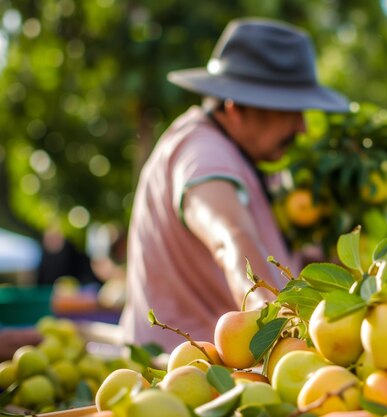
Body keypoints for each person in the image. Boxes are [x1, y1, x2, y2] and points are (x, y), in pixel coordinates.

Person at [119, 18, 349, 351]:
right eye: (290, 111)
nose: (302, 127)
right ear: (235, 106)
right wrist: (273, 320)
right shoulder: (202, 150)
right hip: (185, 380)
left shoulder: (241, 157)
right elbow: (230, 239)